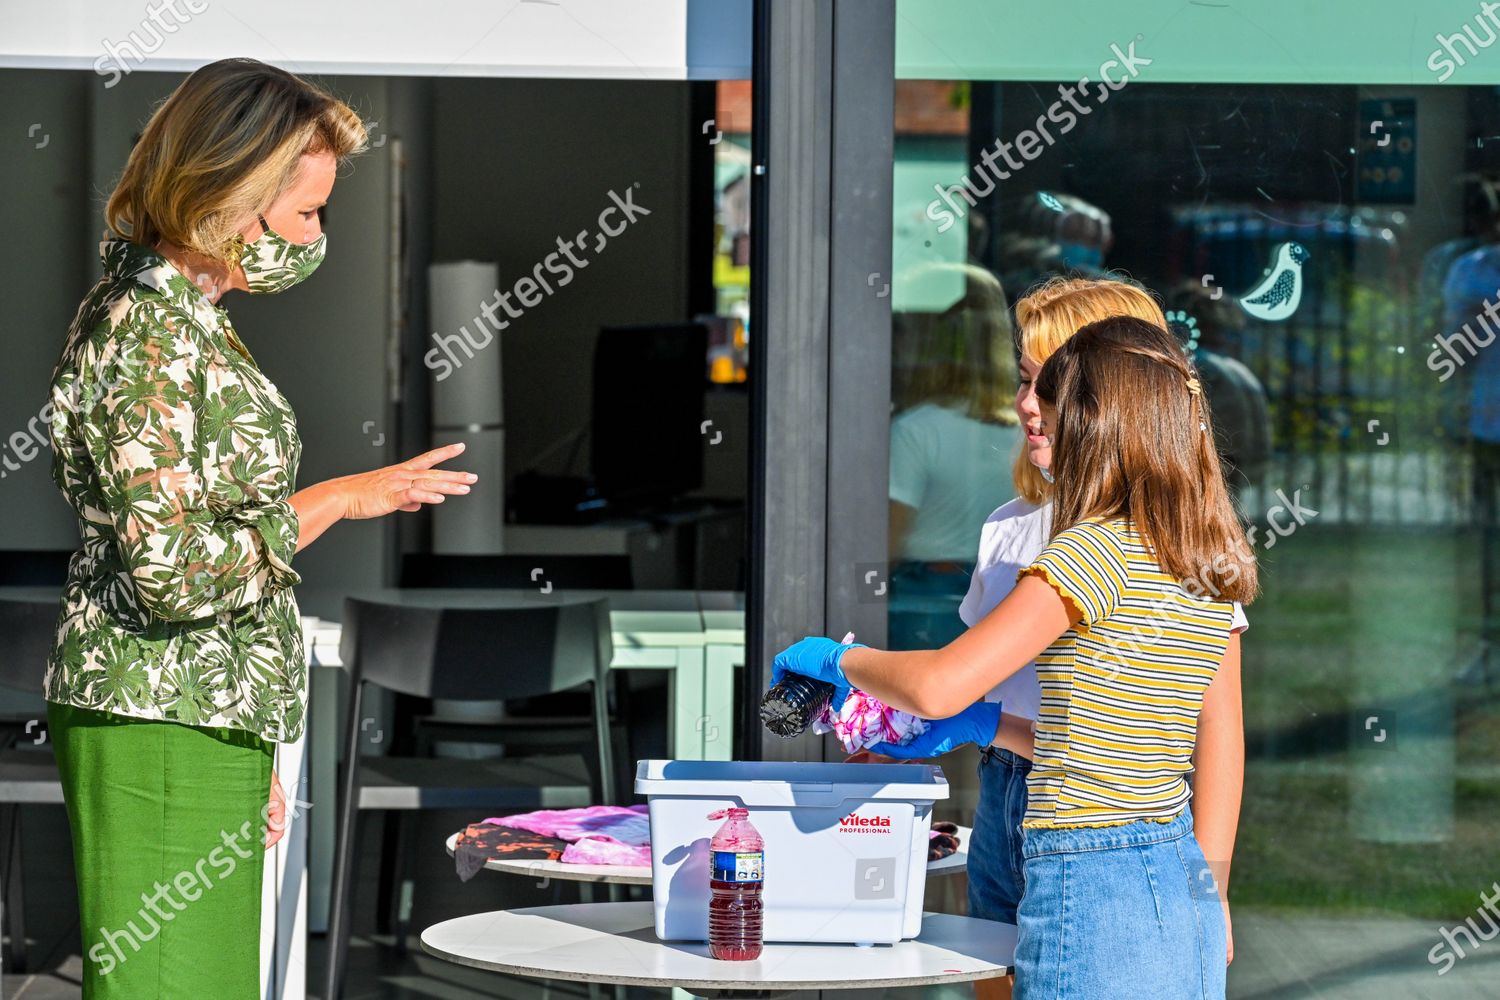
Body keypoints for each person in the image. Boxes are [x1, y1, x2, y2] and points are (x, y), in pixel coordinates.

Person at [45, 58, 476, 998]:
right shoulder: (146, 333)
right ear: (224, 199)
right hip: (156, 713)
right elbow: (170, 569)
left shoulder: (184, 321)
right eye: (307, 213)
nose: (318, 237)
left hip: (193, 713)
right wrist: (336, 499)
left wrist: (245, 734)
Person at [775, 316, 1255, 999]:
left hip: (1093, 882)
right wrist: (983, 725)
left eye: (1052, 399)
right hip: (1176, 869)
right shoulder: (1197, 557)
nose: (1031, 413)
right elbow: (1108, 749)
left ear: (1096, 421)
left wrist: (836, 660)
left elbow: (939, 682)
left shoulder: (1089, 553)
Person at [889, 263, 1021, 649]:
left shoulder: (914, 431)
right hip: (1004, 596)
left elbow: (883, 549)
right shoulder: (1027, 432)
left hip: (924, 602)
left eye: (902, 329)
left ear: (924, 340)